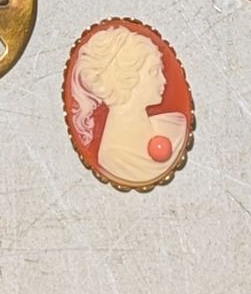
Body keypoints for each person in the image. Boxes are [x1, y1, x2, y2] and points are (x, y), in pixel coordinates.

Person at [68, 24, 187, 186]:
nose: (163, 80)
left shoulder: (175, 124)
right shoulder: (114, 158)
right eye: (153, 71)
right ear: (125, 80)